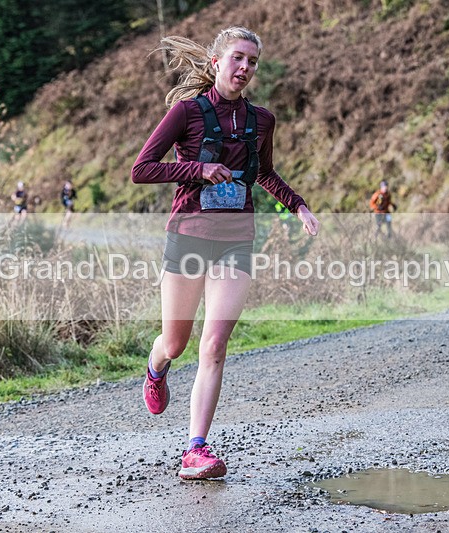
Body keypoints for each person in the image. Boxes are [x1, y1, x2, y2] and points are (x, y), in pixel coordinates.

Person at [131, 26, 320, 480]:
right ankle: (156, 368)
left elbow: (265, 173)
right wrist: (199, 168)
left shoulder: (263, 121)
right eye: (237, 58)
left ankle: (196, 449)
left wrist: (298, 205)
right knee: (175, 343)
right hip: (189, 234)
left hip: (237, 238)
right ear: (217, 62)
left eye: (252, 62)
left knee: (214, 346)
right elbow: (142, 169)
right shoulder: (186, 113)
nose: (245, 68)